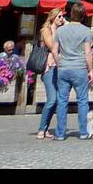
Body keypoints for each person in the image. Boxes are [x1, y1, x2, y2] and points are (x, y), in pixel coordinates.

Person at [53, 2, 93, 141]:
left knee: (62, 101)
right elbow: (88, 53)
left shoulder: (60, 31)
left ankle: (60, 134)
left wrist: (60, 64)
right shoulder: (86, 31)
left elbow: (54, 50)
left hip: (64, 68)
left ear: (70, 14)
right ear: (83, 16)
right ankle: (83, 132)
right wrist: (91, 70)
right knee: (82, 101)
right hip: (79, 69)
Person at [34, 8, 63, 140]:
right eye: (59, 17)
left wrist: (66, 24)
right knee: (52, 99)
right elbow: (52, 46)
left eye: (62, 17)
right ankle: (41, 129)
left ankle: (45, 129)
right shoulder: (46, 31)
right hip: (48, 67)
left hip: (59, 67)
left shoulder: (61, 30)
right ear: (52, 18)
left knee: (56, 100)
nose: (62, 19)